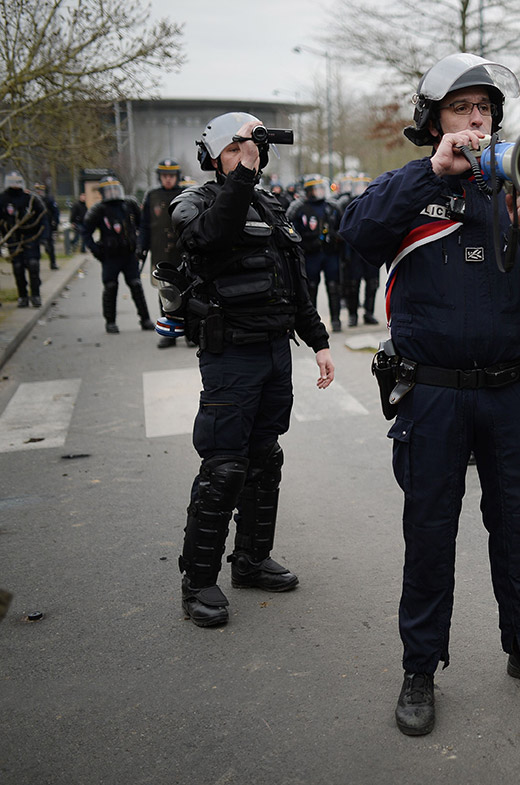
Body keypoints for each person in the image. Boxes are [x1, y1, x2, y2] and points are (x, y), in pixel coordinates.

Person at [337, 53, 520, 737]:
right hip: (434, 397)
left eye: (484, 107)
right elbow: (353, 236)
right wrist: (431, 172)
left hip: (515, 395)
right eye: (460, 108)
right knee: (429, 536)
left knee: (518, 531)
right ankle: (420, 668)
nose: (476, 118)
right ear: (434, 121)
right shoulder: (411, 187)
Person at [168, 111, 335, 630]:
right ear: (215, 156)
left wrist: (319, 342)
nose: (249, 157)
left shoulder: (272, 206)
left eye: (253, 149)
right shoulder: (193, 204)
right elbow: (214, 236)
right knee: (225, 467)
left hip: (273, 350)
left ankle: (251, 560)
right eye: (236, 148)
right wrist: (240, 173)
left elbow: (294, 282)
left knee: (265, 458)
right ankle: (198, 581)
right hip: (230, 354)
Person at [83, 176, 152, 334]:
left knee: (136, 285)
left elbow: (143, 224)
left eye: (115, 189)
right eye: (109, 190)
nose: (113, 193)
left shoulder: (129, 205)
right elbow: (86, 231)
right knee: (110, 287)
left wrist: (141, 246)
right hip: (110, 256)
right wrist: (96, 250)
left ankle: (145, 319)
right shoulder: (99, 209)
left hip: (129, 255)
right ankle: (110, 322)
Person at [138, 159, 186, 348]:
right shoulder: (152, 196)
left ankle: (189, 332)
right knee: (165, 294)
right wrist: (140, 247)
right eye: (165, 176)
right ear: (160, 177)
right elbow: (144, 225)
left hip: (182, 252)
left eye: (171, 176)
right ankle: (169, 333)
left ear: (177, 177)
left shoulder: (185, 194)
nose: (168, 179)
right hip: (160, 252)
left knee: (187, 292)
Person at [287, 173, 343, 332]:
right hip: (311, 254)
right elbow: (290, 231)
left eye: (321, 188)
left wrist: (335, 237)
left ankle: (336, 320)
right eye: (315, 189)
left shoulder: (332, 206)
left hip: (330, 253)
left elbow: (344, 228)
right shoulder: (298, 207)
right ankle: (312, 324)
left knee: (334, 287)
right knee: (311, 288)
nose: (319, 192)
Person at [334, 172, 379, 327]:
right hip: (352, 251)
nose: (362, 188)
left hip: (372, 248)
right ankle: (353, 314)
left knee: (372, 283)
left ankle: (369, 313)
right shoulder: (344, 203)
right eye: (359, 185)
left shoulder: (376, 201)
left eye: (364, 185)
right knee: (352, 284)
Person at [0, 171, 47, 307]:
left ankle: (36, 295)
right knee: (18, 268)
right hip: (13, 239)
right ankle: (23, 296)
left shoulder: (30, 198)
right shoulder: (3, 199)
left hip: (31, 237)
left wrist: (44, 236)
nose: (15, 185)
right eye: (12, 182)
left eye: (17, 181)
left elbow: (43, 217)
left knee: (33, 265)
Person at [33, 183, 59, 270]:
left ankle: (53, 263)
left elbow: (56, 212)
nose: (39, 192)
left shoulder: (49, 199)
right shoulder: (33, 200)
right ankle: (34, 264)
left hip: (47, 225)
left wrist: (55, 222)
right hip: (35, 225)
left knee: (49, 245)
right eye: (37, 190)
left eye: (40, 190)